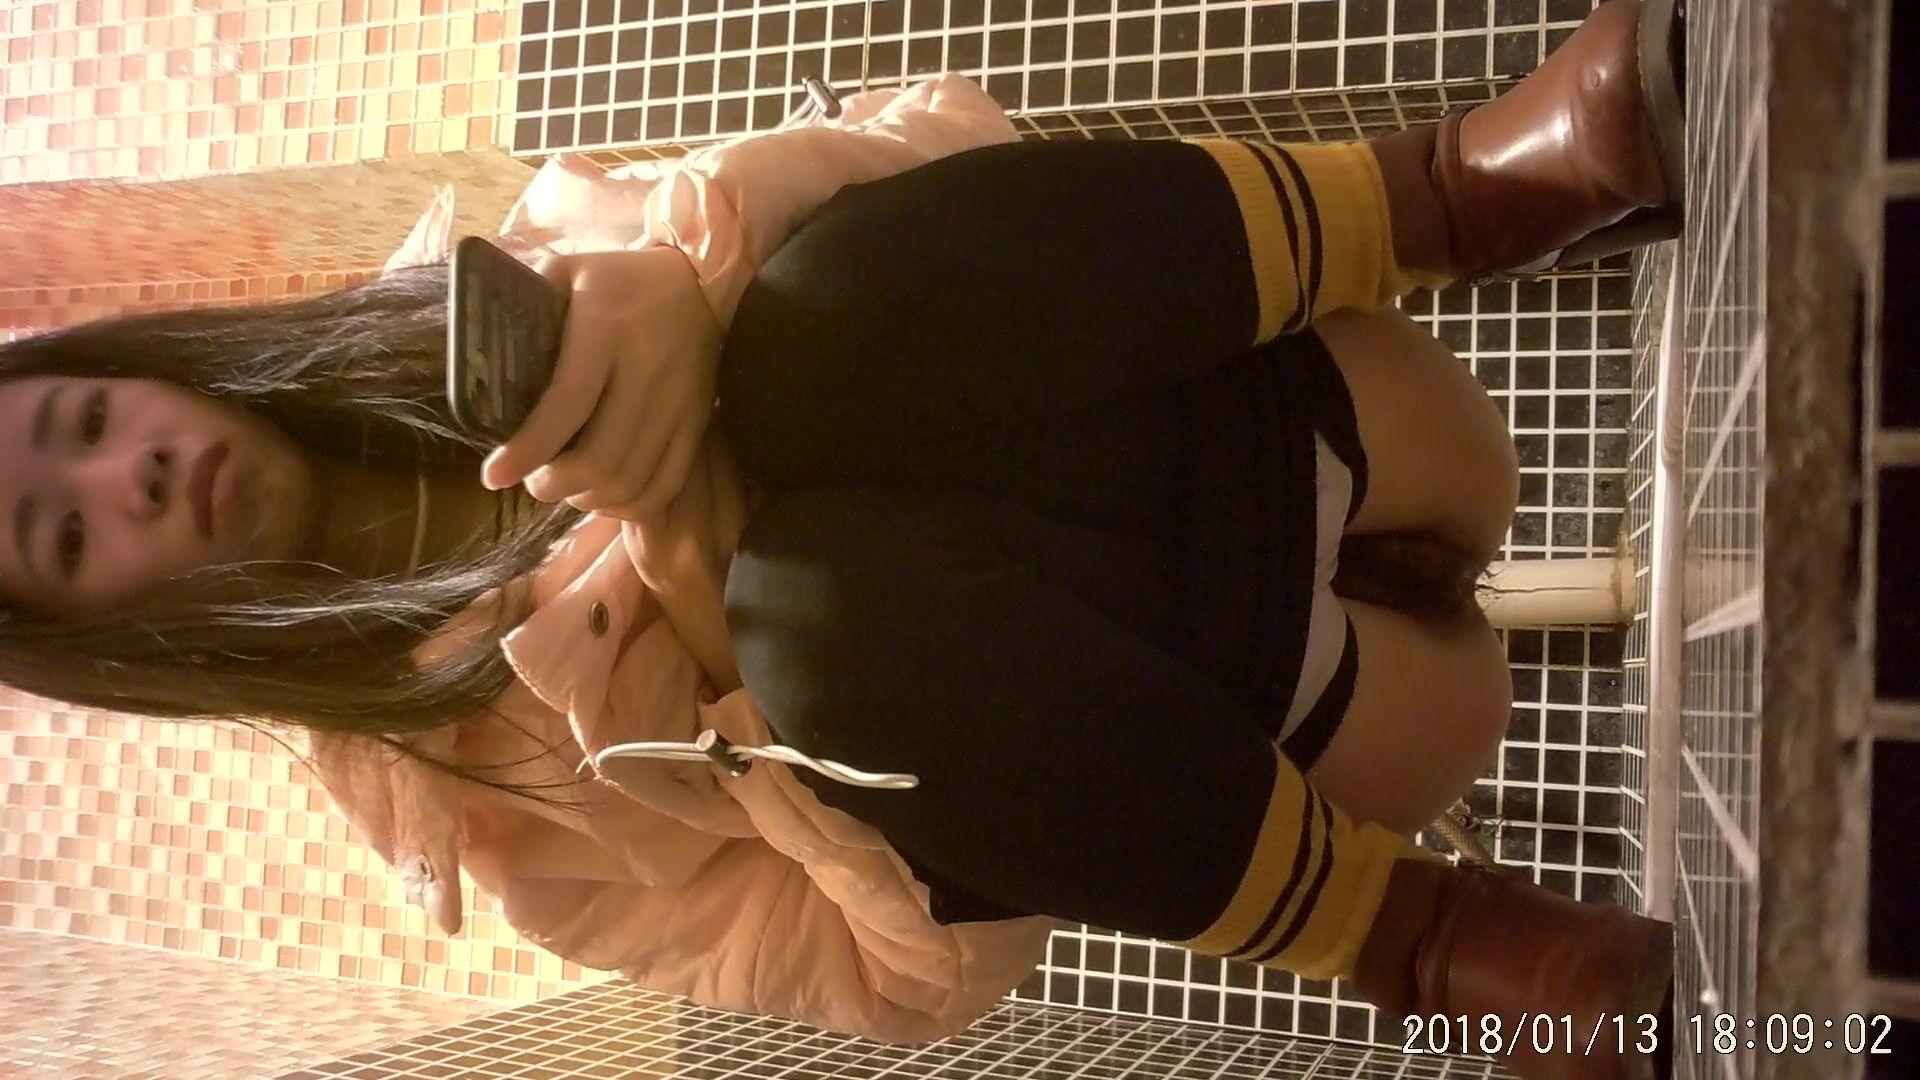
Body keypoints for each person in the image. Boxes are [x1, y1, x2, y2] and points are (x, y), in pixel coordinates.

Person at [0, 2, 1680, 1077]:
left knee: (799, 339)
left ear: (137, 367)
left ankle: (1460, 190)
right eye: (61, 536)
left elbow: (953, 139)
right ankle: (1431, 950)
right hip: (1303, 730)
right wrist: (725, 680)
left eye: (83, 421)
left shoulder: (531, 264)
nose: (130, 475)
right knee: (800, 618)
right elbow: (909, 990)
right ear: (121, 644)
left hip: (1330, 419)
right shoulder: (496, 826)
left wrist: (694, 275)